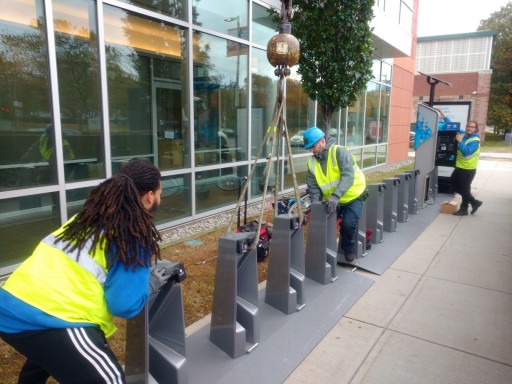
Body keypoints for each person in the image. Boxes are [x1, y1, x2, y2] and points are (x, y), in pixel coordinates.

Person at [0, 158, 171, 384]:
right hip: (55, 317)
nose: (160, 198)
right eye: (160, 193)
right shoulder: (133, 235)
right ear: (150, 196)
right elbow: (124, 305)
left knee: (49, 353)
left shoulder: (82, 220)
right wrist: (150, 283)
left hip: (9, 308)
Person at [303, 127, 367, 261]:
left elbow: (348, 176)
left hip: (353, 196)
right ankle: (322, 254)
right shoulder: (312, 163)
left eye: (313, 146)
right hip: (333, 200)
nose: (311, 150)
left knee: (348, 224)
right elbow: (313, 186)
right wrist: (316, 204)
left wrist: (335, 196)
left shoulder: (339, 152)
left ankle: (347, 248)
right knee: (322, 224)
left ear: (322, 141)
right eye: (309, 148)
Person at [451, 120, 483, 216]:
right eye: (468, 126)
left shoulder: (475, 141)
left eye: (472, 127)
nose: (470, 128)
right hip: (459, 167)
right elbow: (453, 126)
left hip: (468, 169)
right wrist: (443, 114)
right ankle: (474, 202)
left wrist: (460, 141)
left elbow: (466, 152)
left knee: (465, 190)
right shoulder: (463, 134)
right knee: (454, 185)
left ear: (475, 129)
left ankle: (464, 209)